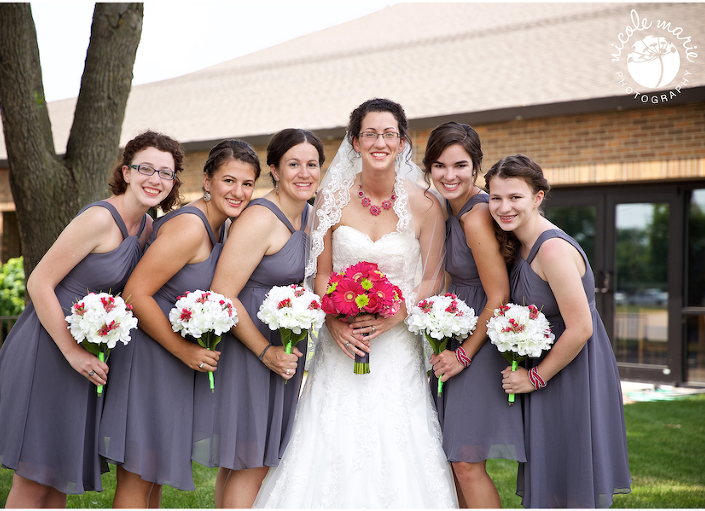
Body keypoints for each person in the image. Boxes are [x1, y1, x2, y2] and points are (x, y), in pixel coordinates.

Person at [254, 98, 458, 508]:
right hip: (342, 340)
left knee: (397, 436)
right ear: (355, 141)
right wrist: (333, 321)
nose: (380, 142)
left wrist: (399, 315)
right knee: (331, 435)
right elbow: (322, 274)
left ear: (402, 143)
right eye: (370, 134)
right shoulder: (330, 198)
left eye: (389, 134)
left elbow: (434, 276)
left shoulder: (427, 204)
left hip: (397, 343)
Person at [0, 130, 184, 508]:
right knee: (34, 479)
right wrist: (72, 352)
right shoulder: (100, 219)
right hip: (50, 347)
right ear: (127, 172)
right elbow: (39, 282)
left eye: (165, 173)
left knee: (59, 481)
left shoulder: (148, 228)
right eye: (146, 169)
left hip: (89, 352)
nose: (155, 179)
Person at [97, 139, 260, 507]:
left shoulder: (221, 228)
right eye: (229, 181)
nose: (238, 192)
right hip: (150, 358)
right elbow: (136, 294)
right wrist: (185, 350)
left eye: (247, 184)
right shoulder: (191, 227)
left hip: (172, 361)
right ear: (207, 180)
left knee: (153, 477)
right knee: (138, 477)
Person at [485, 154, 632, 508]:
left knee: (569, 477)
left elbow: (580, 328)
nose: (504, 207)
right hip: (549, 368)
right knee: (550, 478)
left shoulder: (551, 249)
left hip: (572, 371)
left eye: (515, 197)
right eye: (496, 197)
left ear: (538, 197)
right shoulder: (518, 243)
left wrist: (534, 378)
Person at [203, 128, 324, 508]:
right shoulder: (259, 218)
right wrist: (264, 351)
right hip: (250, 348)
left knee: (248, 460)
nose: (304, 173)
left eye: (312, 164)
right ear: (274, 169)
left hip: (284, 349)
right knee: (251, 461)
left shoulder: (312, 216)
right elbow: (223, 293)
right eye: (293, 164)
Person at [422, 122, 525, 508]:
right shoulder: (448, 210)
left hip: (478, 344)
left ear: (476, 166)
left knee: (466, 462)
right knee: (453, 459)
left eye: (460, 165)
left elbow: (498, 295)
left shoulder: (477, 215)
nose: (449, 175)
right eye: (439, 165)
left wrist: (463, 354)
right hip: (456, 336)